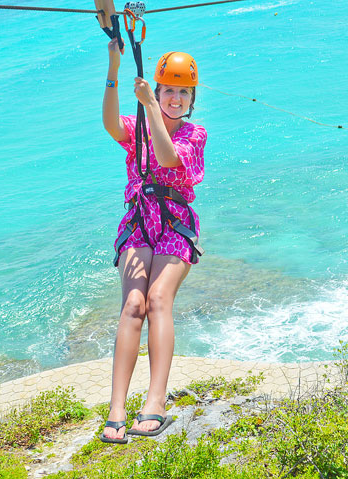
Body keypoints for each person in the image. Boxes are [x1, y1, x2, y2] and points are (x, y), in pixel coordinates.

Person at [100, 38, 207, 443]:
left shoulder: (195, 134)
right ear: (157, 90)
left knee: (160, 299)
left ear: (191, 98)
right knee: (133, 304)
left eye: (183, 92)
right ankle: (116, 409)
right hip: (140, 220)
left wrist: (149, 108)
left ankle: (156, 401)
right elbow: (111, 124)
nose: (175, 98)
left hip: (176, 223)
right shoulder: (137, 127)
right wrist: (114, 67)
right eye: (168, 91)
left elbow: (166, 157)